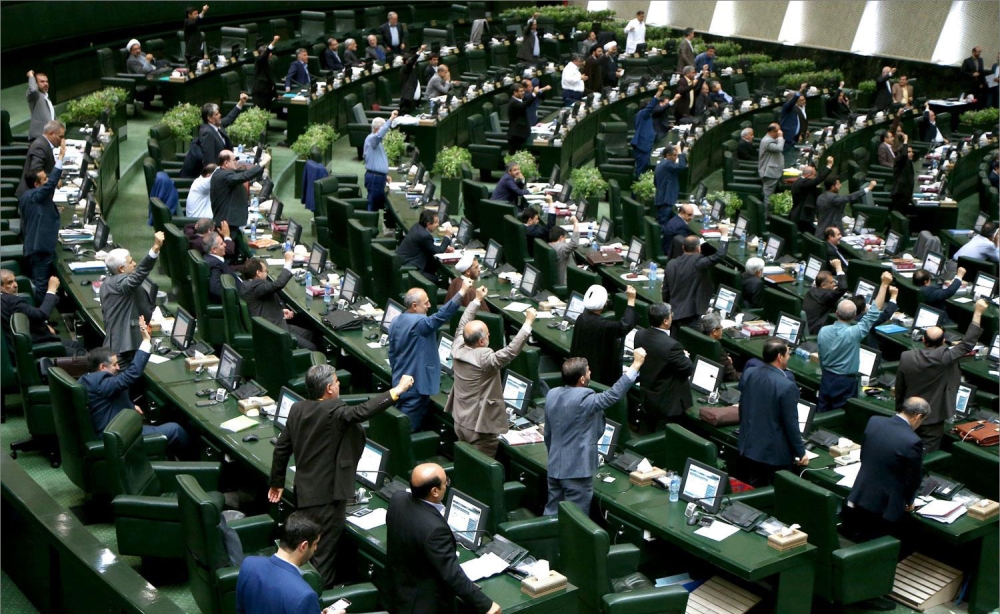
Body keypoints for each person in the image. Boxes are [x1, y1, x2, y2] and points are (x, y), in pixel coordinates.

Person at [269, 364, 414, 588]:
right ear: (329, 389)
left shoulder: (297, 409)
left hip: (304, 493)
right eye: (336, 382)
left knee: (309, 552)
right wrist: (398, 390)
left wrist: (277, 483)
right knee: (322, 557)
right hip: (327, 499)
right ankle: (320, 598)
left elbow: (281, 449)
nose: (339, 385)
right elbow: (364, 411)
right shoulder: (334, 412)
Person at [383, 463, 500, 614]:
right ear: (435, 491)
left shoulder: (397, 498)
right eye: (446, 482)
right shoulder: (435, 529)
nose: (447, 485)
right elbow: (452, 575)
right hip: (420, 605)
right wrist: (486, 605)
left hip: (395, 592)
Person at [544, 349, 646, 514]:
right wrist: (636, 365)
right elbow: (613, 395)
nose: (590, 372)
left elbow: (548, 434)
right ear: (582, 379)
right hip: (577, 472)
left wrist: (554, 456)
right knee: (574, 520)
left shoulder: (551, 394)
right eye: (588, 370)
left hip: (555, 466)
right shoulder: (584, 400)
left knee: (551, 515)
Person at [79, 316, 191, 452]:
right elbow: (131, 375)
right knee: (176, 430)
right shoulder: (102, 383)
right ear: (103, 367)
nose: (118, 367)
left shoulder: (88, 380)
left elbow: (109, 400)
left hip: (110, 428)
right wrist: (145, 342)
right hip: (118, 438)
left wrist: (130, 406)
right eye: (115, 364)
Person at [446, 287, 534, 458]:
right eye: (487, 334)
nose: (489, 335)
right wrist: (528, 323)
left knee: (467, 462)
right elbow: (510, 352)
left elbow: (462, 325)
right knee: (480, 472)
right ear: (481, 341)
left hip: (460, 420)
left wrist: (477, 300)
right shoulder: (484, 358)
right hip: (480, 429)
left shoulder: (457, 347)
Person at [896, 300, 987, 453]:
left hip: (909, 413)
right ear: (944, 341)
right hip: (932, 418)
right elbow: (967, 344)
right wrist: (977, 313)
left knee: (904, 450)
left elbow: (900, 387)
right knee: (926, 454)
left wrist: (900, 409)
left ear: (923, 340)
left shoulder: (906, 357)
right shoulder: (946, 358)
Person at [843, 397, 927, 544]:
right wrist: (910, 500)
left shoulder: (874, 421)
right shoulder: (913, 441)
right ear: (918, 416)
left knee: (859, 536)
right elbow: (912, 478)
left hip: (861, 492)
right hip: (886, 505)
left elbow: (864, 455)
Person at [389, 281, 471, 431]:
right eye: (426, 303)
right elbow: (441, 316)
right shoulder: (420, 324)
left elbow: (392, 354)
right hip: (416, 387)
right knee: (407, 431)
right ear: (414, 306)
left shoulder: (395, 321)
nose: (429, 306)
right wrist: (462, 292)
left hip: (399, 382)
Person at [235, 513, 346, 614]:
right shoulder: (304, 596)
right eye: (316, 543)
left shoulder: (249, 565)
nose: (316, 548)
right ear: (303, 546)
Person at [816, 271, 892, 413]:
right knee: (841, 416)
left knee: (822, 413)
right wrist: (884, 285)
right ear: (854, 317)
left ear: (837, 313)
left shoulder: (823, 331)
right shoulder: (855, 332)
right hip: (845, 382)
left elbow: (820, 354)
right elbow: (874, 311)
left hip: (826, 377)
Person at [737, 337, 807, 486]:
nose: (789, 357)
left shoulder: (750, 372)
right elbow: (791, 423)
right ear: (780, 357)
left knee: (753, 486)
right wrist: (801, 452)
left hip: (748, 445)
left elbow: (743, 407)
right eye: (787, 353)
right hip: (772, 454)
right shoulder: (787, 386)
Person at [100, 233, 163, 368]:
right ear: (121, 269)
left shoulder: (108, 282)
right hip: (123, 348)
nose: (134, 264)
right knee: (122, 382)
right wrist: (155, 248)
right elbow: (139, 274)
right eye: (130, 262)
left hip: (117, 343)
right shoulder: (121, 284)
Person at [240, 253, 317, 351]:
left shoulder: (246, 285)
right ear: (258, 273)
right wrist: (288, 261)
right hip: (273, 330)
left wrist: (280, 312)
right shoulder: (255, 286)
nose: (267, 273)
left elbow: (261, 305)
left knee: (310, 335)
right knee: (311, 348)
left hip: (275, 322)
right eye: (266, 271)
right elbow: (278, 284)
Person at [635, 303, 693, 430]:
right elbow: (688, 368)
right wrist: (685, 356)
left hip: (646, 397)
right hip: (667, 403)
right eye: (671, 315)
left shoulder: (639, 335)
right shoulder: (672, 346)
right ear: (665, 321)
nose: (672, 316)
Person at [20, 138, 64, 304]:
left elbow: (39, 211)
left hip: (37, 245)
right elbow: (51, 184)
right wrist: (60, 158)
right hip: (39, 248)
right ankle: (41, 320)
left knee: (46, 282)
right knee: (41, 285)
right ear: (37, 184)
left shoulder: (29, 196)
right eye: (44, 180)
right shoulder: (37, 195)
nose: (47, 181)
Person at [570, 285, 638, 387]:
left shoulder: (581, 318)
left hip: (581, 371)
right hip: (599, 377)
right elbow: (625, 326)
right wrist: (631, 300)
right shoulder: (604, 325)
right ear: (604, 304)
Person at [1, 272, 82, 356]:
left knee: (77, 345)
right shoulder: (11, 301)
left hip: (27, 341)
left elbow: (32, 316)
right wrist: (52, 290)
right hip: (33, 346)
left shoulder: (5, 300)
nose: (15, 285)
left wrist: (45, 325)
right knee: (81, 353)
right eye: (9, 283)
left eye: (15, 281)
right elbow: (41, 314)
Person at [663, 236, 727, 329]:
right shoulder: (698, 263)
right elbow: (719, 255)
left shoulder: (671, 264)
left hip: (673, 313)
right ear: (698, 248)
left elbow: (665, 290)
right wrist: (724, 235)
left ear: (683, 248)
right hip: (691, 316)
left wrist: (667, 310)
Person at [210, 150, 270, 228]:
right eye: (234, 159)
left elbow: (243, 172)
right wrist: (263, 163)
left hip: (228, 221)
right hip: (226, 224)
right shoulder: (225, 176)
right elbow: (243, 176)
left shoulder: (221, 172)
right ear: (226, 163)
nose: (236, 161)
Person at [363, 111, 399, 230]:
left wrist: (385, 175)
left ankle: (379, 227)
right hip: (374, 178)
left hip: (379, 177)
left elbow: (377, 160)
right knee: (372, 206)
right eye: (383, 129)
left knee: (379, 204)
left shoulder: (375, 142)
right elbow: (379, 135)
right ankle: (368, 230)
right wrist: (390, 120)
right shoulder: (372, 139)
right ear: (378, 129)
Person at [195, 96, 248, 178]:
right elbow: (209, 161)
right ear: (209, 118)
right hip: (217, 175)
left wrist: (241, 103)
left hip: (225, 167)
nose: (220, 115)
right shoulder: (207, 133)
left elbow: (229, 119)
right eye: (216, 114)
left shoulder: (216, 125)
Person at [631, 85, 675, 176]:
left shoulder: (647, 116)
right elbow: (651, 107)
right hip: (642, 146)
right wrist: (659, 92)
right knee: (641, 169)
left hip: (646, 146)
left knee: (645, 167)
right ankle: (638, 188)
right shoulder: (643, 113)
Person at [397, 210, 454, 278]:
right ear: (428, 224)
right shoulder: (425, 236)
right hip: (410, 266)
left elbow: (429, 247)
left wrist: (444, 248)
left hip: (402, 261)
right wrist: (447, 236)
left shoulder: (417, 226)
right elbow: (438, 251)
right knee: (436, 279)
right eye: (436, 222)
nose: (438, 225)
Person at [16, 119, 63, 198]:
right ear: (51, 134)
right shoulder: (40, 146)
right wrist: (54, 179)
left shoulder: (44, 143)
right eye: (60, 137)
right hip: (31, 198)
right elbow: (36, 170)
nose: (62, 140)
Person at [789, 156, 834, 233]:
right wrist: (829, 165)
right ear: (809, 175)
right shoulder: (804, 183)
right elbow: (819, 179)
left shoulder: (799, 181)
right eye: (814, 175)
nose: (815, 177)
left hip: (798, 214)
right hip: (802, 217)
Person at [653, 143, 687, 239]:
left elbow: (655, 182)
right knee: (664, 226)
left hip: (661, 198)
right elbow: (682, 166)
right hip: (666, 200)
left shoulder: (661, 164)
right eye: (675, 156)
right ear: (668, 155)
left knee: (661, 223)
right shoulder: (668, 164)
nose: (676, 158)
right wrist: (680, 152)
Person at [803, 265, 847, 335]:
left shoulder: (811, 291)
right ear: (823, 285)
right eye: (831, 282)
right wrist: (838, 267)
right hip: (816, 332)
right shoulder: (825, 296)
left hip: (807, 328)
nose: (834, 284)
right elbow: (843, 287)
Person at [698, 313, 740, 381]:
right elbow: (733, 376)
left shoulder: (698, 341)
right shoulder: (717, 349)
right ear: (714, 332)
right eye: (721, 327)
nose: (722, 329)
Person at [203, 231, 241, 302]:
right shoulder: (214, 264)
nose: (225, 245)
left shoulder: (209, 258)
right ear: (214, 250)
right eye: (221, 244)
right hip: (242, 296)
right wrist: (235, 296)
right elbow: (216, 289)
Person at [251, 36, 280, 112]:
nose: (270, 54)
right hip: (259, 93)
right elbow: (265, 55)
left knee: (266, 115)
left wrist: (275, 95)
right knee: (261, 116)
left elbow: (271, 80)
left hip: (267, 93)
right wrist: (273, 42)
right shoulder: (259, 61)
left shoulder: (269, 64)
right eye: (268, 53)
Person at [758, 123, 784, 208]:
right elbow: (779, 148)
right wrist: (780, 137)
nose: (780, 132)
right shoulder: (767, 141)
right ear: (773, 131)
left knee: (770, 196)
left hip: (772, 172)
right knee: (768, 197)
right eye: (778, 131)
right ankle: (765, 219)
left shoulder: (770, 139)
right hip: (769, 173)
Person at [548, 218, 580, 286]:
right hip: (565, 282)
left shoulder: (549, 246)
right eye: (565, 238)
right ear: (561, 237)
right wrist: (576, 223)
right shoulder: (561, 248)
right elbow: (574, 244)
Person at [779, 84, 808, 154]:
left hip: (795, 138)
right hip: (788, 138)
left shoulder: (795, 108)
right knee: (786, 156)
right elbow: (791, 102)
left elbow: (799, 121)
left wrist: (801, 133)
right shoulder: (786, 107)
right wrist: (800, 90)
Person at [26, 70, 55, 141]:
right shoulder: (34, 96)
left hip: (49, 137)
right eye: (42, 81)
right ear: (36, 84)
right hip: (38, 137)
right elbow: (33, 90)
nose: (46, 84)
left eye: (47, 81)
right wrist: (31, 76)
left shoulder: (46, 96)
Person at [890, 141, 915, 219]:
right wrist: (905, 140)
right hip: (899, 194)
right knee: (900, 218)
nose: (912, 153)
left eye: (912, 152)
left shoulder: (908, 162)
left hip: (905, 194)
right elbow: (904, 155)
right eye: (909, 152)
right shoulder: (900, 161)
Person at [398, 46, 425, 116]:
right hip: (407, 103)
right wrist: (420, 51)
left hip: (414, 102)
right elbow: (410, 63)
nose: (415, 63)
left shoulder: (413, 70)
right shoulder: (404, 69)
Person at [507, 83, 532, 155]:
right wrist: (534, 95)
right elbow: (523, 106)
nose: (523, 93)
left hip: (520, 133)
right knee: (515, 155)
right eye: (521, 91)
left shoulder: (518, 100)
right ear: (515, 92)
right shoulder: (513, 102)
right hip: (516, 135)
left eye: (523, 91)